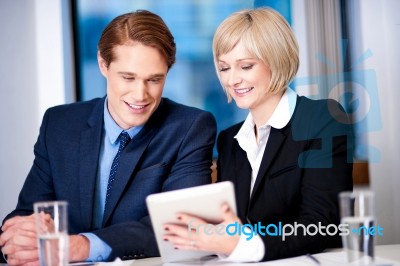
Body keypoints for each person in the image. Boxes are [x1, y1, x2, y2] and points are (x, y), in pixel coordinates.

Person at [0, 10, 216, 265]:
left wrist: (83, 246)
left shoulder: (190, 128)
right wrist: (19, 238)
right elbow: (28, 213)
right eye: (128, 77)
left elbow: (180, 226)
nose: (140, 94)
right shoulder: (59, 124)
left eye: (154, 80)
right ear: (103, 64)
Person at [164, 8, 353, 262]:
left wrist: (244, 245)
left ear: (276, 60)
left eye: (245, 66)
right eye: (224, 68)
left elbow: (319, 225)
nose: (232, 79)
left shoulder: (322, 118)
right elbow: (236, 226)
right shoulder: (230, 141)